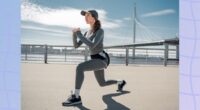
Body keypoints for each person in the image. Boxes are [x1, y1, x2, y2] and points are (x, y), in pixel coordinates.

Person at [62, 10, 126, 106]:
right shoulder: (87, 32)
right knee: (102, 83)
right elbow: (76, 45)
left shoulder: (100, 31)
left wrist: (79, 34)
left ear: (94, 18)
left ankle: (76, 96)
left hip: (102, 60)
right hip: (94, 60)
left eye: (88, 15)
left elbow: (92, 45)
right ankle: (120, 82)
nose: (85, 17)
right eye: (85, 15)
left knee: (80, 67)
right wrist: (74, 34)